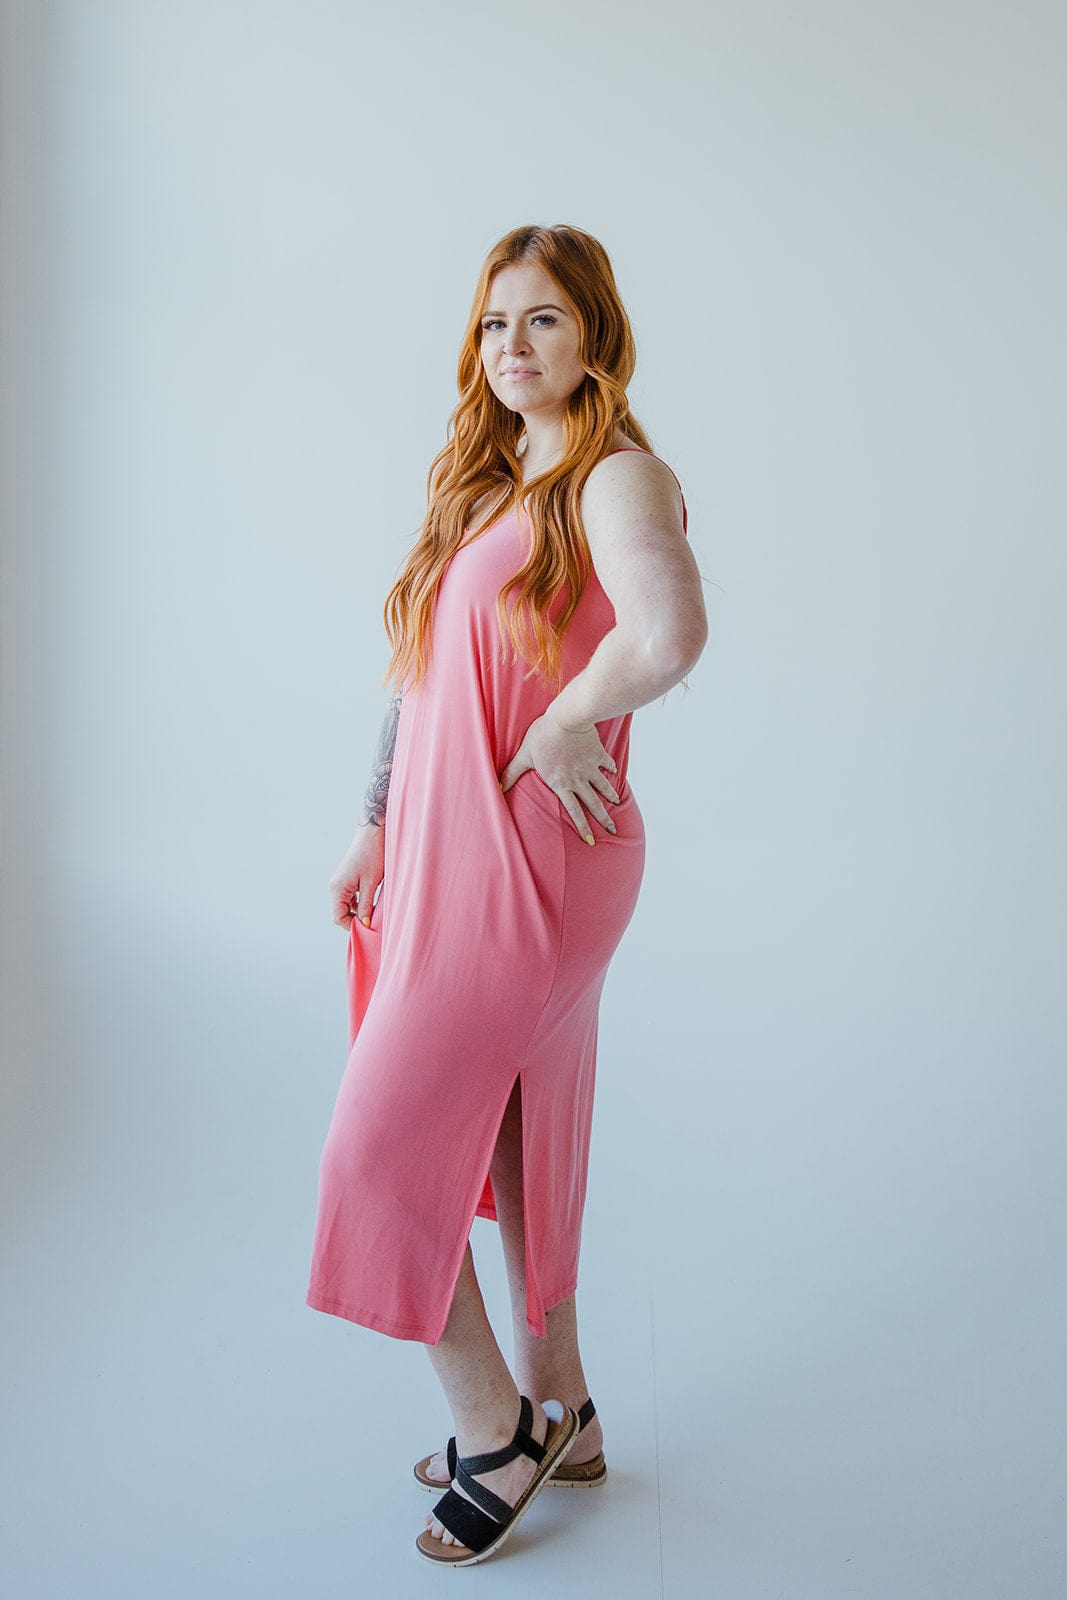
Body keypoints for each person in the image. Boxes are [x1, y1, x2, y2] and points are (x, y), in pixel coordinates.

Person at [306, 222, 708, 1567]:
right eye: (494, 324)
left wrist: (568, 718)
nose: (514, 347)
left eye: (543, 320)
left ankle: (497, 1434)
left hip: (534, 851)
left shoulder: (616, 477)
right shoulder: (495, 483)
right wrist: (376, 824)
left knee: (377, 1150)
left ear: (595, 334)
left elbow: (669, 634)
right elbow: (425, 677)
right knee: (517, 1135)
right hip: (448, 847)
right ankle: (568, 1410)